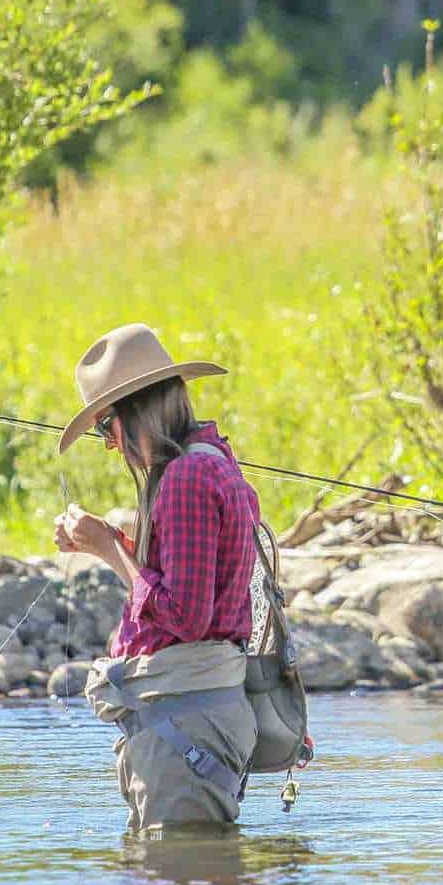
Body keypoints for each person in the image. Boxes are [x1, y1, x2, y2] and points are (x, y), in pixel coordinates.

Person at [53, 324, 262, 830]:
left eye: (107, 428)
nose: (110, 446)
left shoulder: (186, 478)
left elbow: (188, 618)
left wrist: (107, 550)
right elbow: (188, 585)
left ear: (137, 411)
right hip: (192, 716)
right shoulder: (208, 463)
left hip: (186, 720)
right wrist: (114, 543)